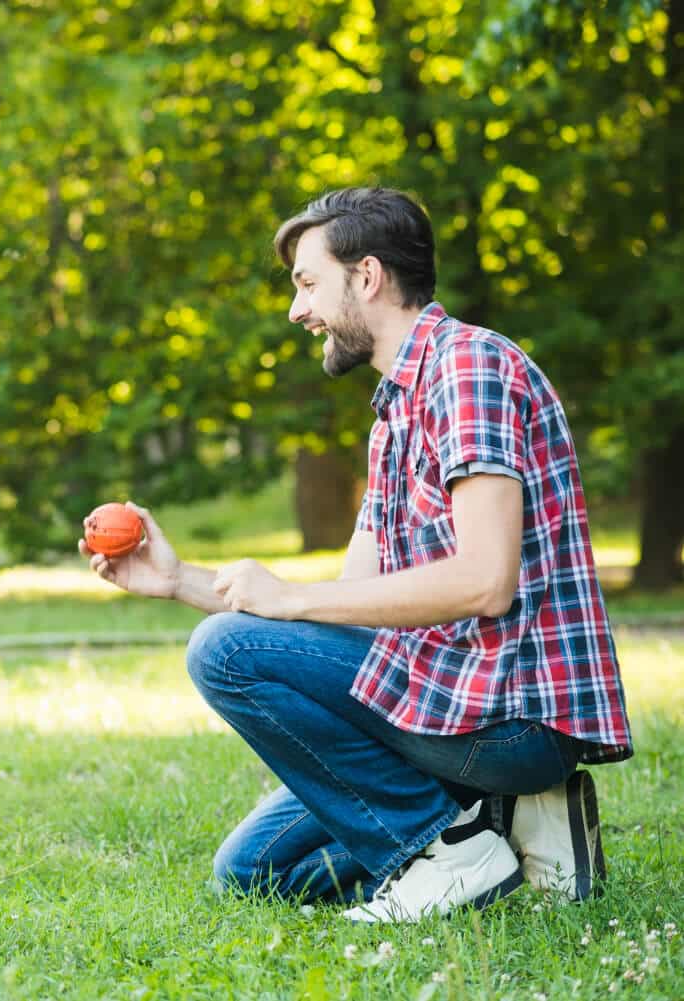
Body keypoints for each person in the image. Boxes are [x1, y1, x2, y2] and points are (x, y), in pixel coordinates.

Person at [81, 186, 632, 923]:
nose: (296, 310)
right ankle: (502, 825)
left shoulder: (469, 368)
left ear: (367, 277)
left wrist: (283, 599)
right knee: (255, 871)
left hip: (510, 714)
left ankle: (453, 850)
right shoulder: (394, 414)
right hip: (443, 698)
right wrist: (180, 580)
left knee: (223, 651)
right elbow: (347, 605)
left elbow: (485, 581)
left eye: (308, 284)